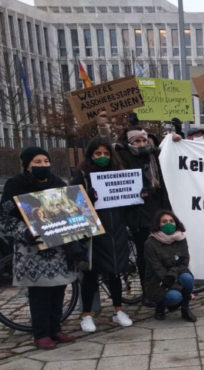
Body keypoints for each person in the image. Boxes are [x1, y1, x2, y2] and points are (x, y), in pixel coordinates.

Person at [0, 147, 78, 350]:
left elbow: (70, 209)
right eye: (37, 162)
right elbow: (5, 219)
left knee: (59, 290)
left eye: (46, 161)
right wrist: (25, 232)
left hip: (59, 248)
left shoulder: (57, 184)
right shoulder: (15, 185)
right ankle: (41, 333)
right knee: (39, 293)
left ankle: (55, 328)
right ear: (27, 165)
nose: (43, 165)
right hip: (33, 250)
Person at [70, 137, 133, 332]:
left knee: (115, 272)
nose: (103, 157)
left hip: (116, 229)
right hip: (93, 232)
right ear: (91, 155)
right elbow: (72, 200)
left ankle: (118, 310)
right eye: (98, 154)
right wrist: (87, 198)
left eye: (106, 153)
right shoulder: (82, 175)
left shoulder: (119, 173)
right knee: (91, 274)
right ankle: (86, 315)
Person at [115, 121, 171, 305]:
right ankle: (149, 294)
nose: (140, 144)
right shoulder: (124, 158)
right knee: (145, 256)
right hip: (138, 216)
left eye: (143, 140)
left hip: (156, 213)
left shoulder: (154, 157)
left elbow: (162, 185)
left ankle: (159, 290)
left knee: (159, 254)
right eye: (136, 141)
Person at [143, 210, 197, 322]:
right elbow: (157, 268)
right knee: (175, 297)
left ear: (176, 223)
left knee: (187, 278)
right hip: (159, 280)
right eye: (164, 221)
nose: (168, 224)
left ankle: (185, 309)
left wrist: (173, 275)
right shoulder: (150, 243)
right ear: (158, 224)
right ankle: (160, 306)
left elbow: (184, 261)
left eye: (171, 221)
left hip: (175, 275)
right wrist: (180, 289)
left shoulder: (180, 238)